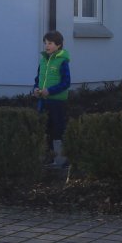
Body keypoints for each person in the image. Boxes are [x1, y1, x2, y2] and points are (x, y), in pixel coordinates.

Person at [33, 30, 71, 167]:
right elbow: (38, 79)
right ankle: (48, 158)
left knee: (57, 129)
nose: (47, 46)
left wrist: (50, 91)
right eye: (45, 43)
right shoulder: (43, 60)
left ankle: (61, 160)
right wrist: (36, 89)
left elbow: (66, 82)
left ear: (58, 45)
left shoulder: (62, 62)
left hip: (57, 102)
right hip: (43, 101)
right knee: (44, 128)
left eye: (50, 43)